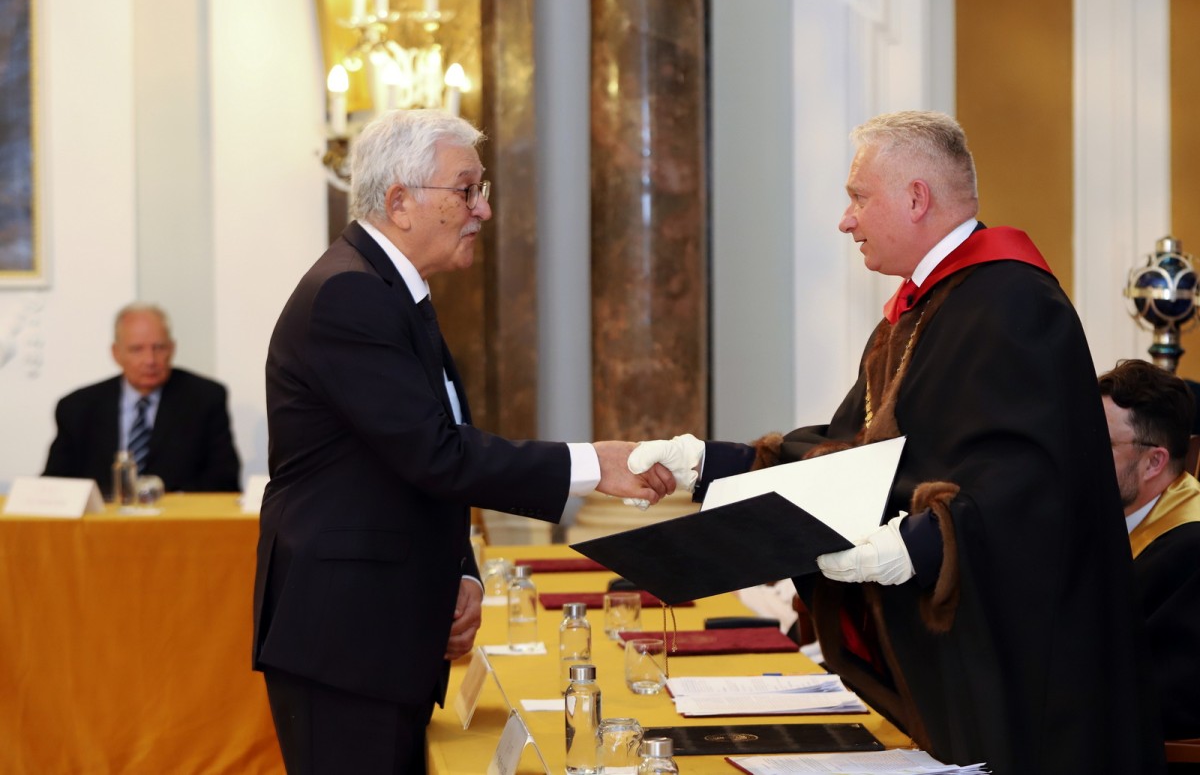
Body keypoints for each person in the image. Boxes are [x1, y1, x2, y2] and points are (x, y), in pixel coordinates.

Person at [629, 111, 1165, 773]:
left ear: (916, 198)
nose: (845, 220)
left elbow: (1035, 482)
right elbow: (847, 454)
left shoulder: (1015, 301)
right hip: (958, 669)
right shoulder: (923, 311)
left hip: (1033, 683)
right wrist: (709, 464)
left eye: (858, 197)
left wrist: (917, 544)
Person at [251, 109, 670, 774]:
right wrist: (594, 463)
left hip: (374, 631)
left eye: (483, 189)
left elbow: (415, 459)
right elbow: (435, 453)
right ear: (399, 202)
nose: (484, 209)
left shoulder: (387, 288)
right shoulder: (350, 295)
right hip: (346, 638)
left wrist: (462, 568)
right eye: (467, 190)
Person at [43, 302, 241, 497]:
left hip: (177, 514)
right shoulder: (77, 407)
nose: (150, 360)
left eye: (159, 348)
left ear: (172, 349)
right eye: (137, 349)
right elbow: (54, 486)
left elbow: (225, 480)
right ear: (116, 353)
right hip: (106, 515)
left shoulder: (205, 398)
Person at [1099, 358, 1200, 741]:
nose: (1080, 456)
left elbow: (1169, 700)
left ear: (1153, 462)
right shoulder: (1106, 520)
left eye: (1102, 443)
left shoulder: (1191, 550)